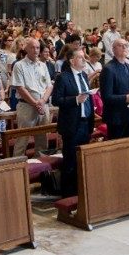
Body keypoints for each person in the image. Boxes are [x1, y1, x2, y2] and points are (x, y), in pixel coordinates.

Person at [51, 47, 95, 197]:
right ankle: (68, 197)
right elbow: (56, 100)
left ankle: (81, 192)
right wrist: (76, 99)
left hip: (85, 123)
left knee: (81, 160)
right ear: (72, 60)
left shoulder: (83, 75)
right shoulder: (63, 77)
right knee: (70, 161)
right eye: (81, 58)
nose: (85, 60)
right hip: (71, 125)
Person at [11, 38, 53, 155]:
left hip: (43, 105)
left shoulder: (43, 65)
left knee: (42, 139)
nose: (35, 50)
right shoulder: (19, 65)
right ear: (26, 48)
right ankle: (17, 166)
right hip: (27, 106)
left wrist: (43, 101)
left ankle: (42, 168)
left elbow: (49, 86)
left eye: (38, 48)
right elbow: (20, 88)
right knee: (22, 139)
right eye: (32, 47)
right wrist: (35, 103)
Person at [100, 38, 129, 139]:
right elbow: (106, 97)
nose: (124, 47)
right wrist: (127, 97)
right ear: (113, 49)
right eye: (120, 45)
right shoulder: (108, 69)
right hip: (116, 117)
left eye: (126, 45)